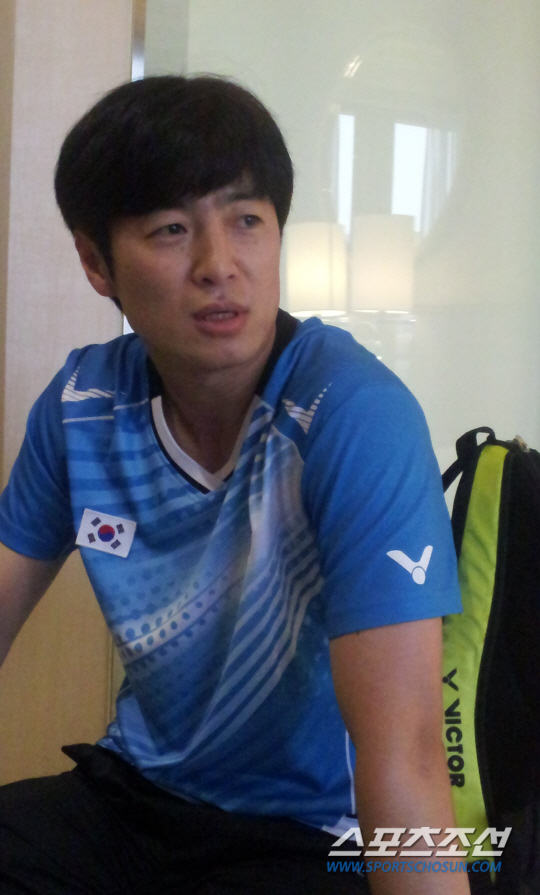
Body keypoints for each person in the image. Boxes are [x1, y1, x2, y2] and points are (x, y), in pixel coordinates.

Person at [0, 75, 470, 895]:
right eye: (172, 229)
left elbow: (407, 757)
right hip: (135, 798)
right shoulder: (83, 404)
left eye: (247, 220)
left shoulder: (352, 413)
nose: (219, 265)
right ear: (95, 262)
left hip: (308, 832)